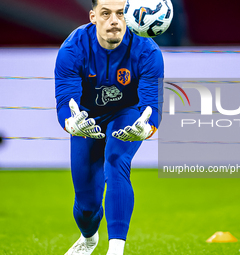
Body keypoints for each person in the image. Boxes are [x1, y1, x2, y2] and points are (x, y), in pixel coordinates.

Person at [54, 0, 164, 254]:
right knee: (87, 206)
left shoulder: (147, 51)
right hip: (86, 120)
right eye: (106, 13)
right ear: (93, 16)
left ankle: (115, 249)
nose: (114, 20)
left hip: (127, 116)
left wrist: (147, 129)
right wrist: (71, 124)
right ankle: (89, 238)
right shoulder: (73, 48)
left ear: (130, 17)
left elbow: (152, 105)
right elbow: (64, 100)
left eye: (121, 13)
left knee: (116, 162)